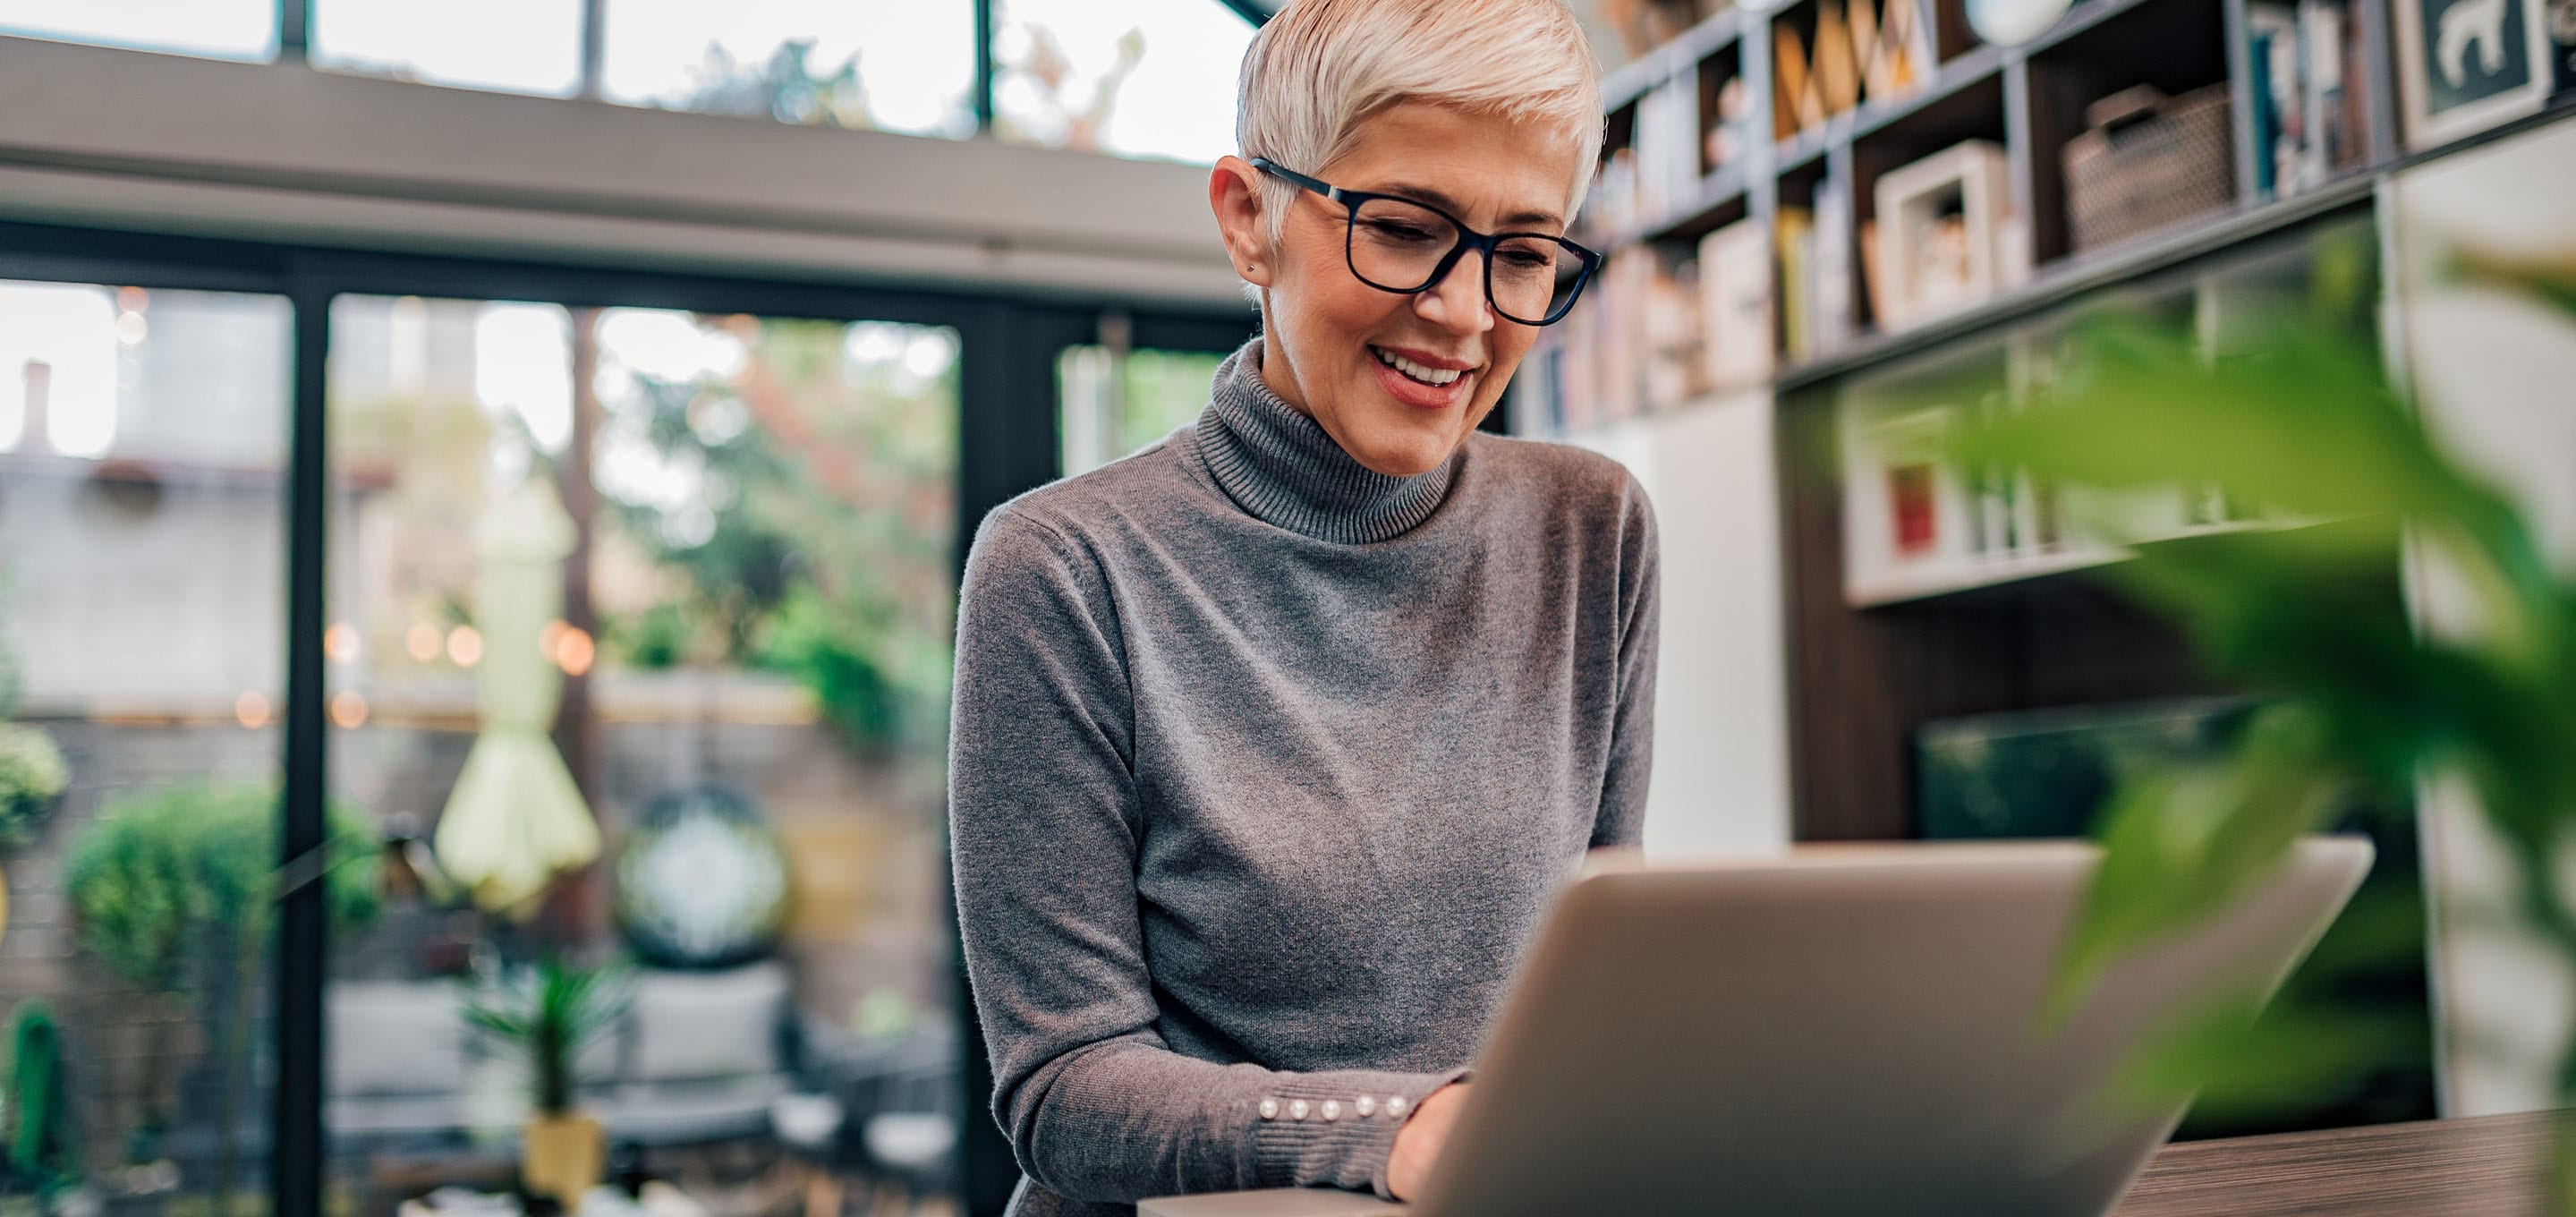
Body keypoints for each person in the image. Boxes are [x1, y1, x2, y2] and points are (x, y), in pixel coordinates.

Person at [948, 2, 1656, 1213]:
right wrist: (1398, 1130)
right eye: (1403, 228)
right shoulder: (1064, 568)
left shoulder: (1590, 531)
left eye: (1524, 252)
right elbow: (1063, 1089)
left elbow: (1600, 987)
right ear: (1247, 220)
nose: (1465, 313)